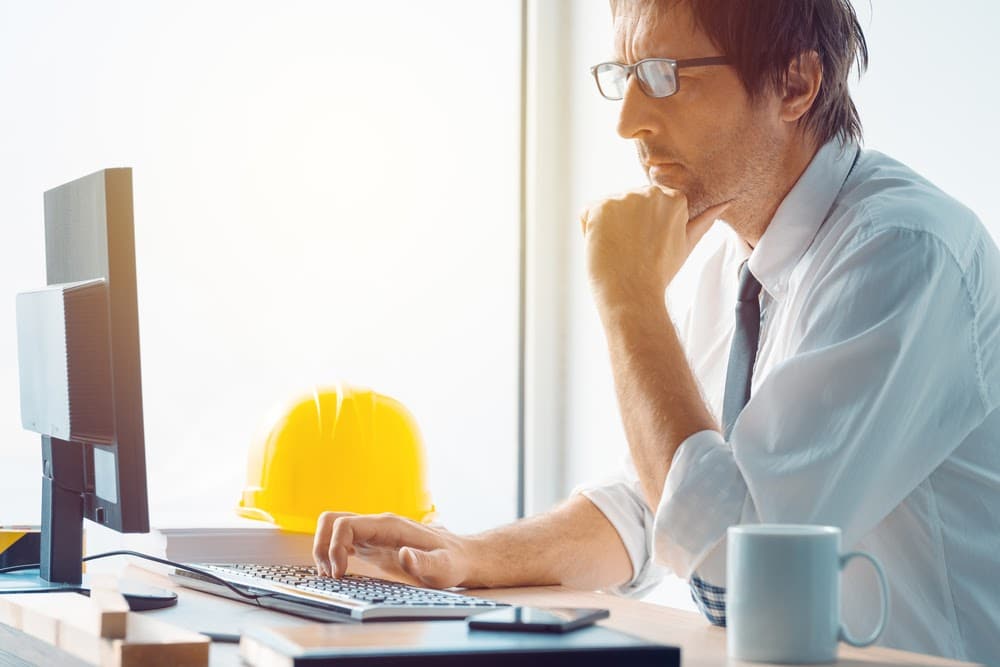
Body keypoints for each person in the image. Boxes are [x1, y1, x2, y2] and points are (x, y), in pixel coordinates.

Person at [312, 1, 1000, 662]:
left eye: (666, 76)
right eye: (626, 76)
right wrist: (464, 555)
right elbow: (654, 504)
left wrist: (628, 295)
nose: (629, 123)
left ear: (795, 83)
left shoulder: (904, 254)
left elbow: (740, 570)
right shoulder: (735, 263)